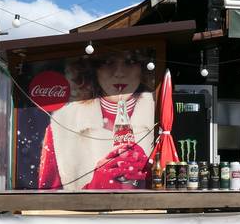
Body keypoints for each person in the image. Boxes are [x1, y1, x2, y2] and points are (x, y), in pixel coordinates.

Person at [38, 49, 155, 190]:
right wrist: (94, 187)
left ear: (142, 68)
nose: (119, 73)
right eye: (108, 62)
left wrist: (148, 175)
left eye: (130, 62)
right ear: (92, 69)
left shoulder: (161, 116)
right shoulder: (63, 124)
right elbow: (47, 197)